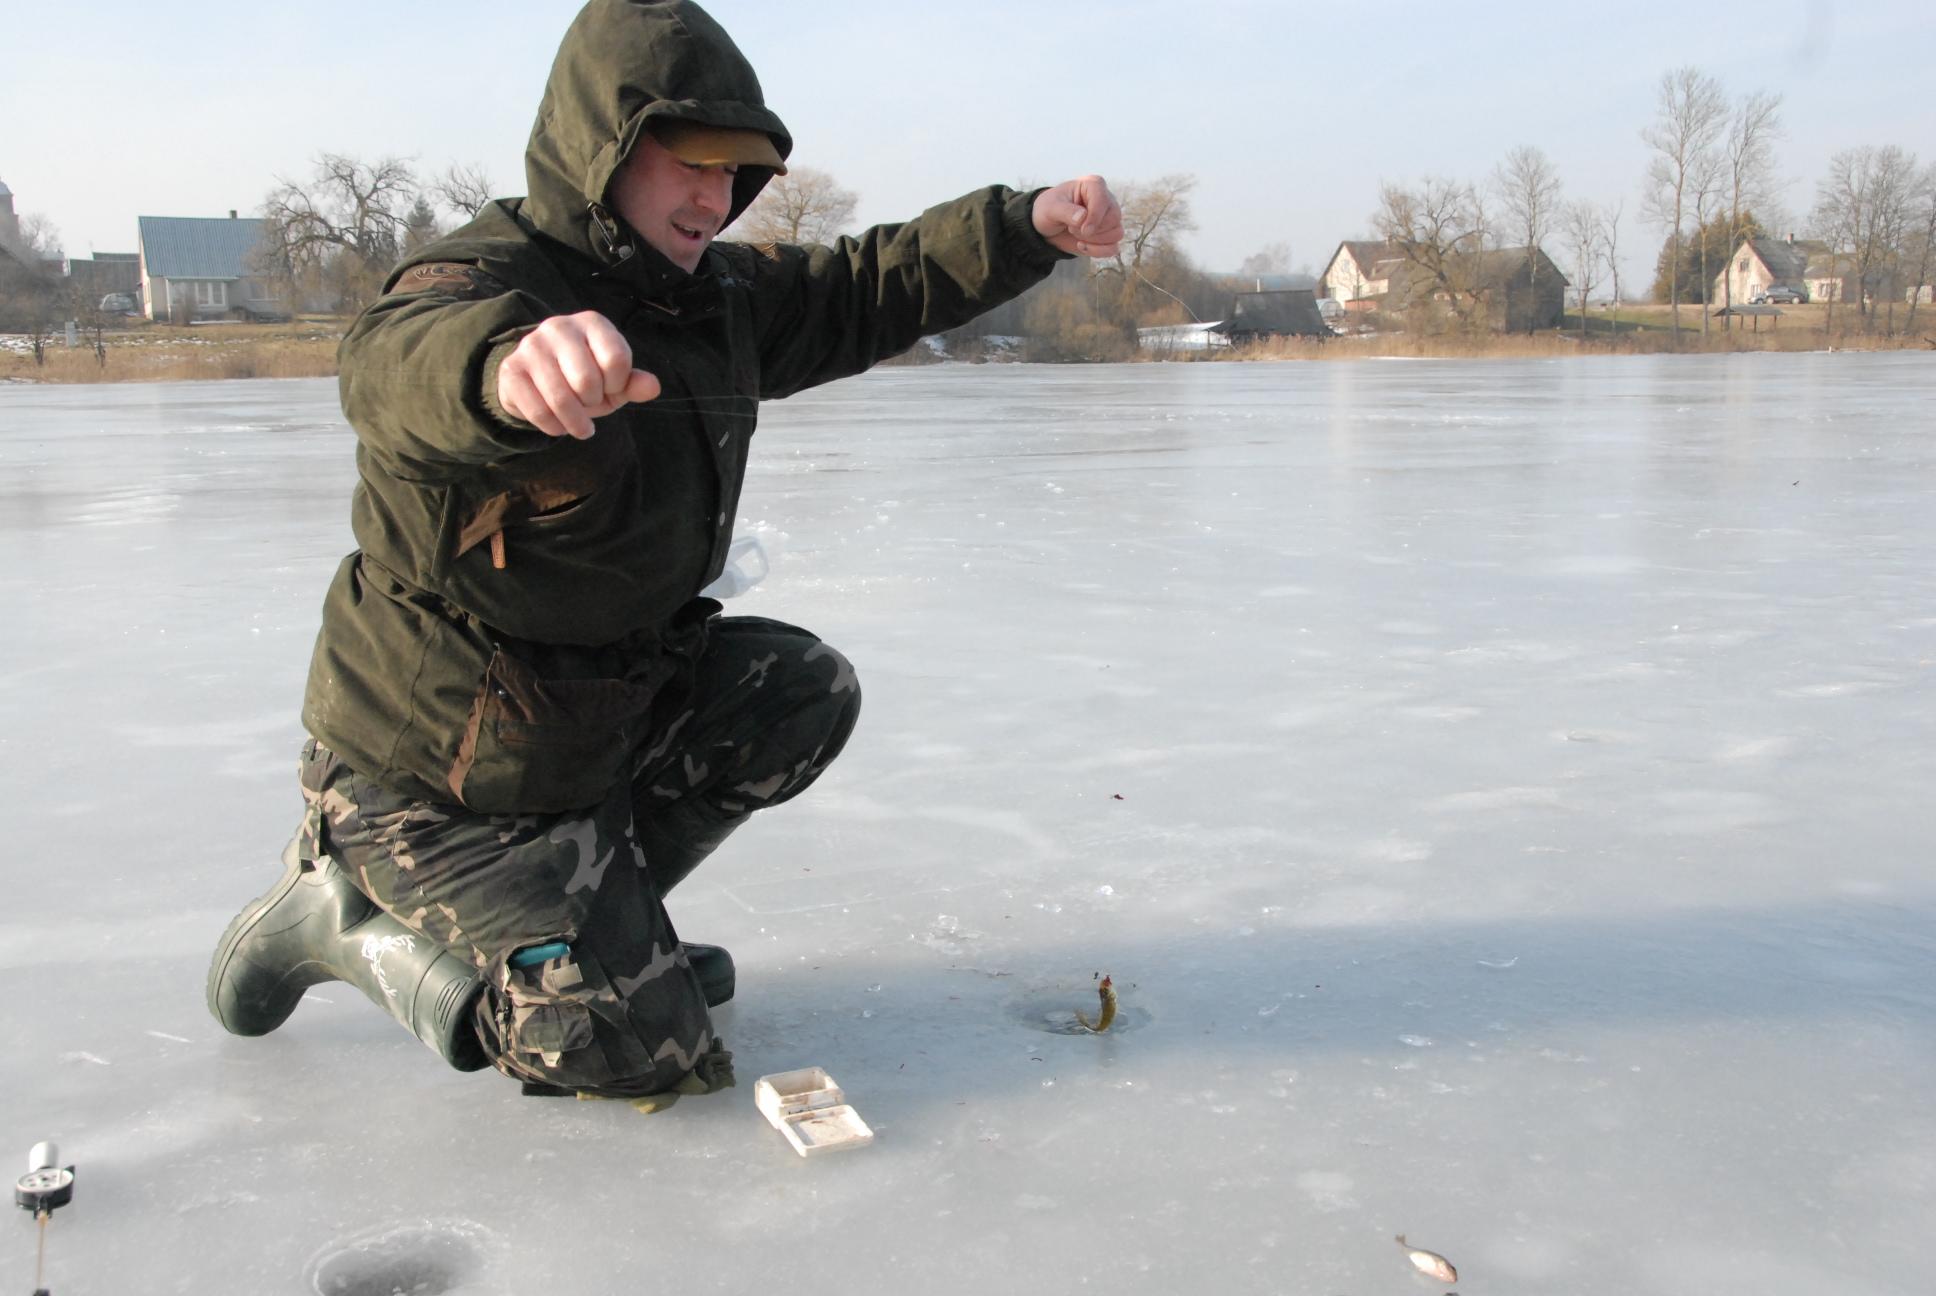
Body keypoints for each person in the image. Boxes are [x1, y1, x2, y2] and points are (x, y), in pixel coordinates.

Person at [205, 0, 1123, 1104]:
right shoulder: (483, 282)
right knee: (636, 1049)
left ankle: (603, 930)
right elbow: (395, 366)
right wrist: (504, 370)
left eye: (734, 172)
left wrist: (1026, 225)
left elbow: (868, 284)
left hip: (588, 722)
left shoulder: (708, 296)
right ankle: (350, 918)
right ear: (600, 149)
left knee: (799, 693)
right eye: (686, 162)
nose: (712, 198)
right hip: (431, 778)